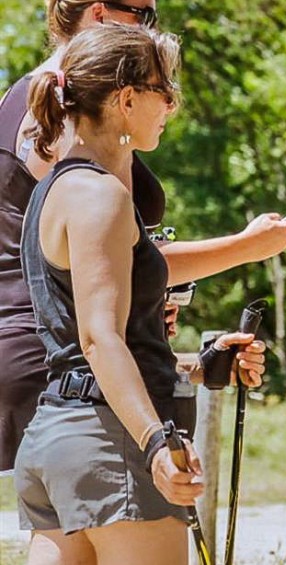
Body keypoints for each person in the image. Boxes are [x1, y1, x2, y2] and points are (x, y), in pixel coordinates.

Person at [0, 0, 286, 473]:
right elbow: (97, 315)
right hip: (67, 373)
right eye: (143, 15)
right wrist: (249, 247)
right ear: (100, 16)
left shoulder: (37, 105)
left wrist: (190, 362)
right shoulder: (73, 146)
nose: (171, 101)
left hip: (63, 369)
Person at [14, 24, 268, 565]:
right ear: (127, 99)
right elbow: (98, 339)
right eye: (165, 91)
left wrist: (198, 367)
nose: (171, 106)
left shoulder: (51, 190)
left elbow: (91, 346)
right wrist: (155, 441)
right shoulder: (99, 196)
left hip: (56, 440)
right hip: (111, 444)